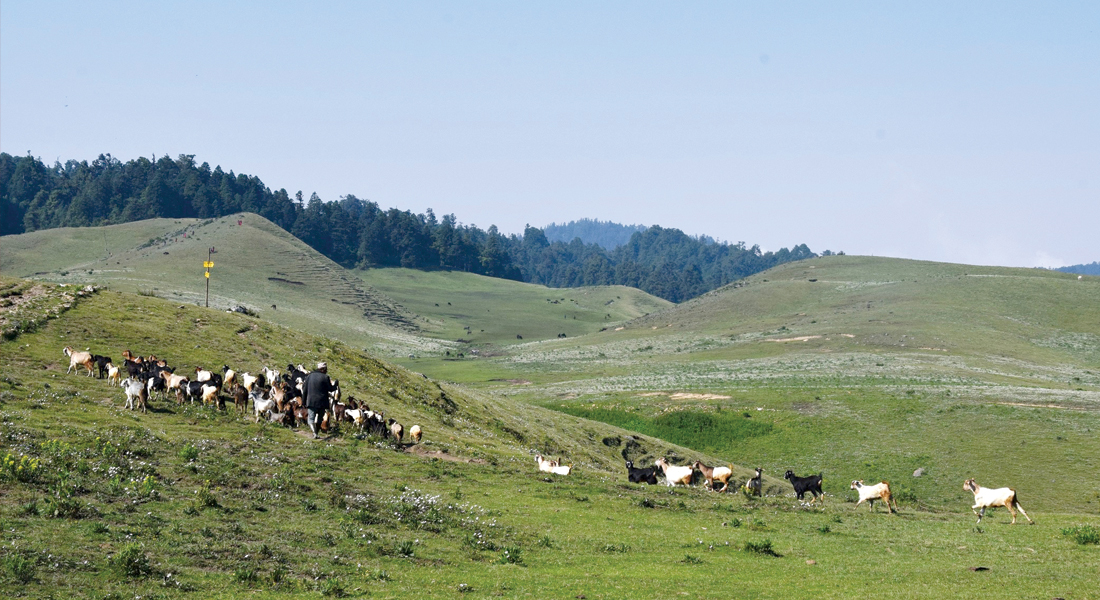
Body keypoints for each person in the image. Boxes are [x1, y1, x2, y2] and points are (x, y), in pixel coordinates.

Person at [302, 362, 334, 439]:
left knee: (311, 418)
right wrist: (335, 386)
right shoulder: (325, 377)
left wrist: (303, 401)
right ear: (322, 369)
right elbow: (330, 389)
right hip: (322, 402)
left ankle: (314, 433)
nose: (327, 370)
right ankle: (315, 432)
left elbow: (304, 389)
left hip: (311, 401)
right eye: (326, 369)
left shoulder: (309, 376)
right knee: (320, 418)